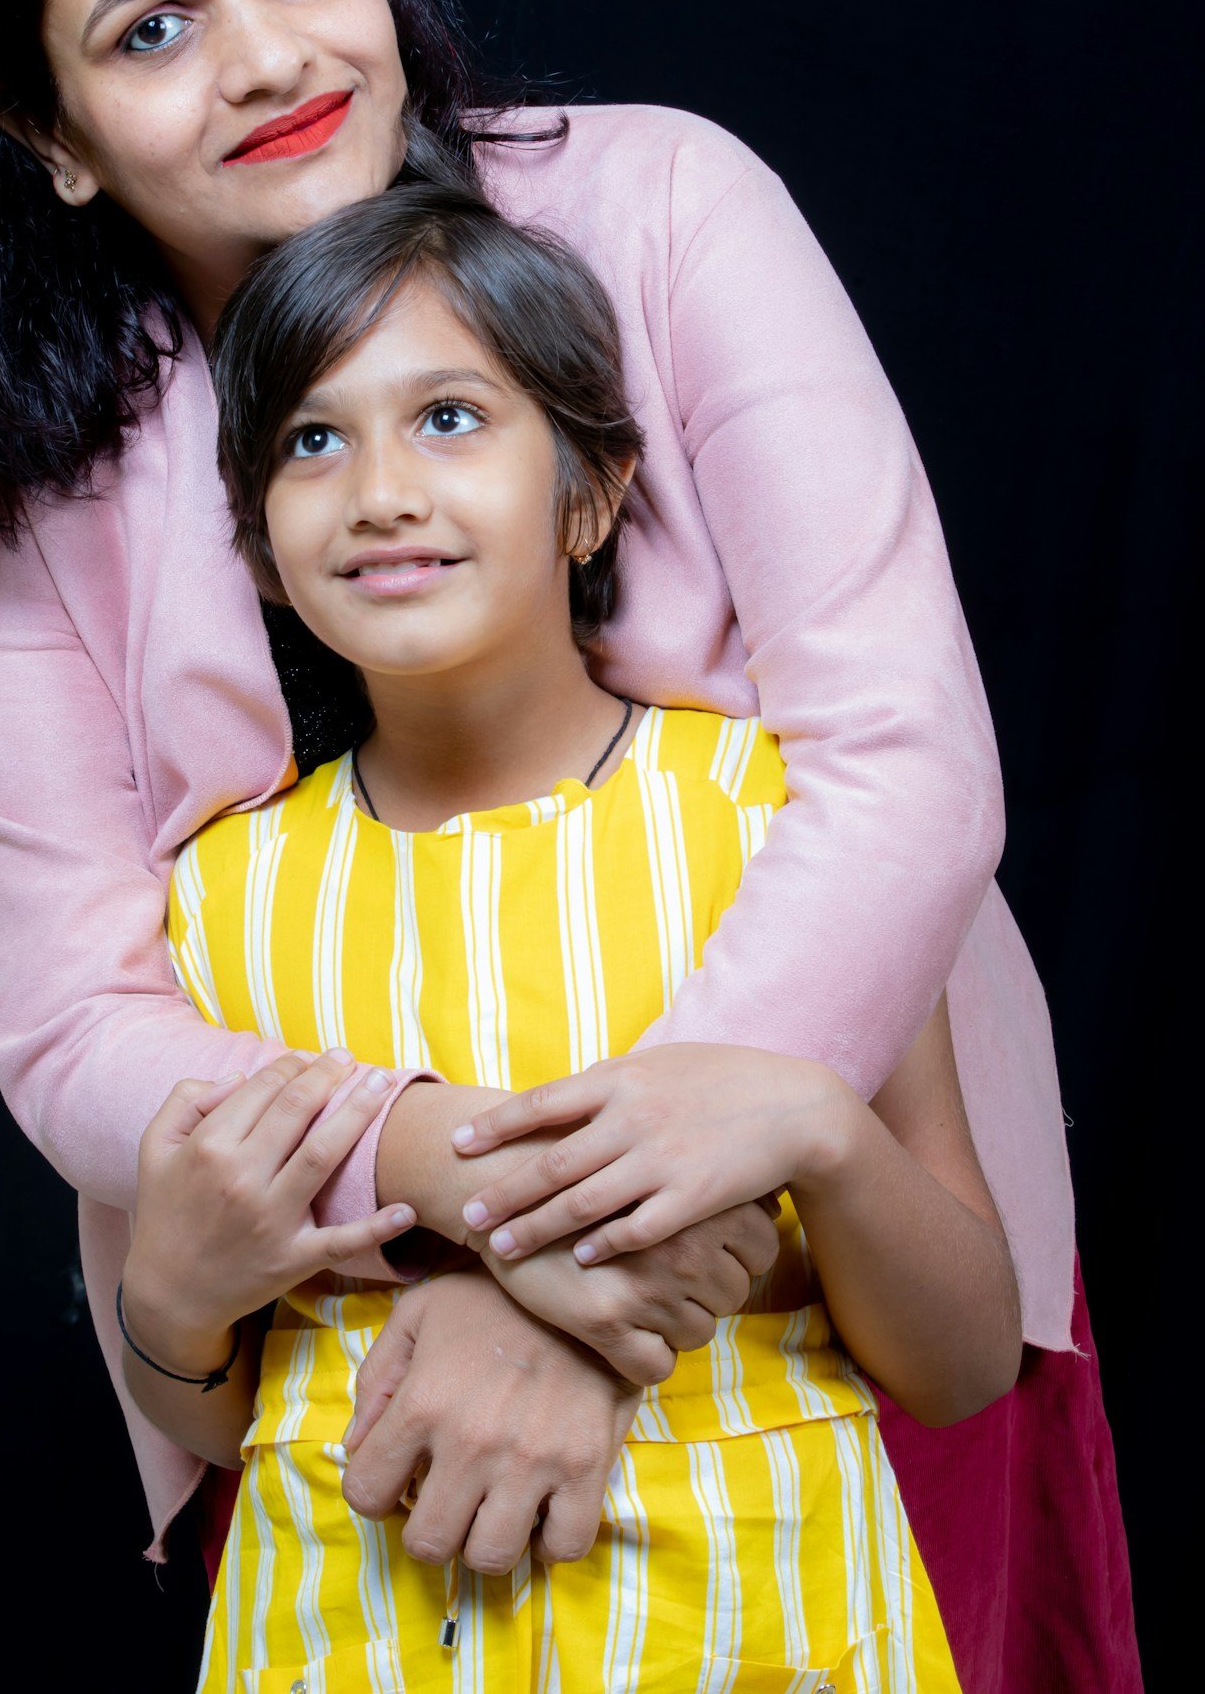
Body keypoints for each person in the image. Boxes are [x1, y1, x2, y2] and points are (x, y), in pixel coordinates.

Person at [0, 0, 1136, 1689]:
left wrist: (581, 1271)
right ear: (48, 136)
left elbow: (903, 771)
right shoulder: (24, 479)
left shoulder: (670, 209)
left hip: (799, 1293)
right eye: (149, 27)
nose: (268, 54)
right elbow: (76, 1017)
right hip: (346, 1367)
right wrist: (437, 1179)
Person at [122, 181, 1023, 1688]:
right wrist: (174, 1298)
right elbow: (222, 1410)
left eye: (453, 418)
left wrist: (821, 1130)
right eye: (311, 441)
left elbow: (963, 1362)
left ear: (592, 495)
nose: (382, 490)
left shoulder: (782, 827)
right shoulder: (212, 906)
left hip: (764, 1640)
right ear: (262, 549)